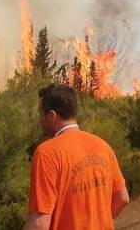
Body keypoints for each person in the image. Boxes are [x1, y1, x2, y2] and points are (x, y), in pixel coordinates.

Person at [24, 83, 130, 230]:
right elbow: (122, 198)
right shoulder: (103, 146)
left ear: (52, 116)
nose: (39, 120)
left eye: (41, 114)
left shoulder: (47, 153)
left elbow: (39, 224)